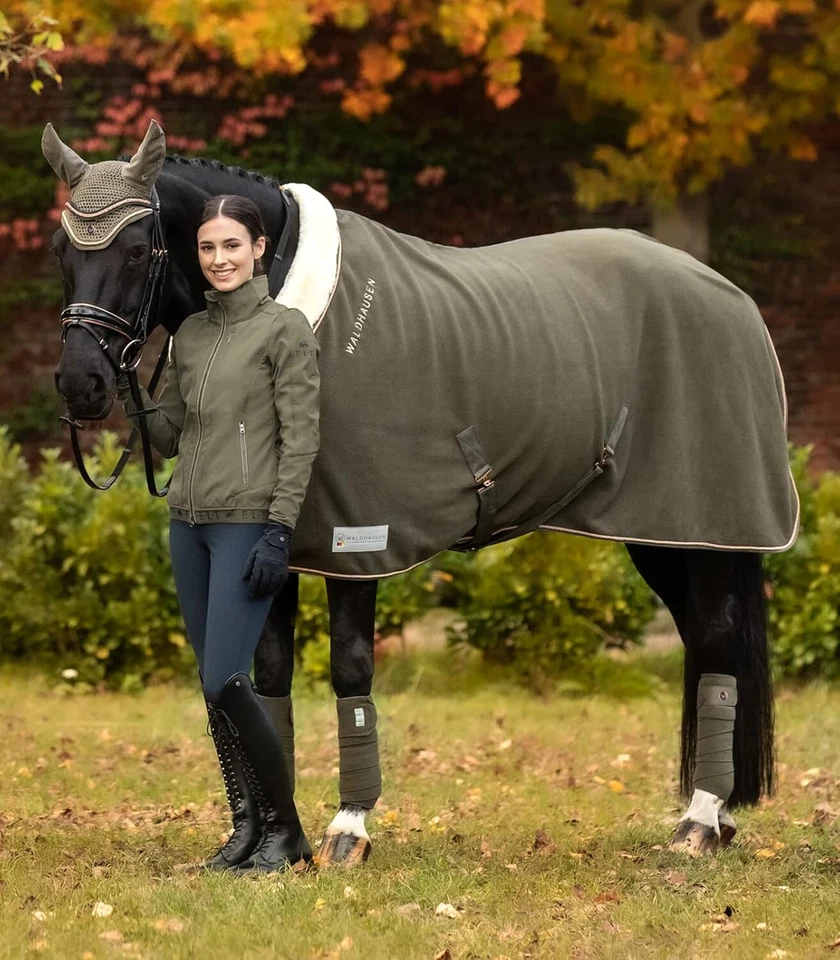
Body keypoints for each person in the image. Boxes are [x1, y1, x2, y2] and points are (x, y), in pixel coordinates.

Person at [119, 194, 320, 874]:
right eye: (207, 248)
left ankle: (286, 831)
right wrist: (132, 389)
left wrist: (279, 529)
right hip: (189, 526)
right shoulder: (190, 336)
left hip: (246, 525)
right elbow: (171, 436)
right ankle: (246, 828)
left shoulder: (285, 330)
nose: (219, 259)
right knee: (212, 685)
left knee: (229, 678)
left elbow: (302, 439)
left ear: (258, 248)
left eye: (232, 245)